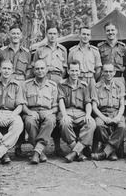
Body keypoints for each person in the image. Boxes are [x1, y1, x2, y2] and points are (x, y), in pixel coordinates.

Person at [32, 22, 67, 156]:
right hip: (43, 78)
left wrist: (60, 80)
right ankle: (40, 147)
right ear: (46, 34)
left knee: (57, 112)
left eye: (55, 33)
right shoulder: (40, 49)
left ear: (58, 35)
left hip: (58, 80)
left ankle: (57, 146)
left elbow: (65, 69)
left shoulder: (62, 50)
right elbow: (34, 66)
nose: (52, 36)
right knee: (45, 112)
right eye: (50, 33)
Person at [58, 60, 96, 163]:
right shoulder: (62, 84)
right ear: (68, 71)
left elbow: (88, 102)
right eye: (72, 70)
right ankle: (79, 151)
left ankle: (74, 153)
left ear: (79, 72)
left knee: (91, 122)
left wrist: (88, 114)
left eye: (76, 70)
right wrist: (64, 115)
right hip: (67, 111)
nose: (74, 73)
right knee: (64, 123)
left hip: (80, 113)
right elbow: (61, 100)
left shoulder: (84, 85)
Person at [22, 60, 58, 164]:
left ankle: (37, 152)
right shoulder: (26, 84)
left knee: (51, 121)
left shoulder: (52, 85)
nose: (40, 71)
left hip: (47, 111)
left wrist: (50, 112)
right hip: (31, 111)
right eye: (37, 69)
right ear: (33, 71)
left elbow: (56, 107)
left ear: (46, 70)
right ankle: (40, 152)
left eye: (42, 68)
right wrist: (29, 112)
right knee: (29, 121)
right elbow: (22, 104)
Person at [90, 63, 126, 161]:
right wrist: (104, 118)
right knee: (98, 125)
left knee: (122, 126)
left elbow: (122, 104)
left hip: (116, 112)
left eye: (110, 71)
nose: (108, 74)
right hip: (102, 112)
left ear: (114, 72)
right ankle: (111, 150)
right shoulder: (96, 87)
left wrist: (118, 117)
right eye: (106, 71)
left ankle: (105, 152)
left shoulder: (120, 85)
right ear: (102, 72)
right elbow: (94, 107)